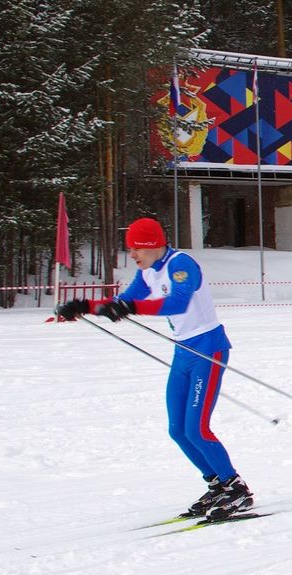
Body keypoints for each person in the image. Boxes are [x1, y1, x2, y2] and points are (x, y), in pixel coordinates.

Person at [55, 217, 252, 521]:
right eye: (130, 249)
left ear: (152, 245)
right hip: (184, 351)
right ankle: (216, 485)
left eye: (136, 248)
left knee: (197, 428)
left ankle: (235, 487)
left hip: (208, 349)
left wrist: (130, 308)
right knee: (178, 430)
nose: (132, 254)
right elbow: (123, 301)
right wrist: (84, 306)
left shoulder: (181, 264)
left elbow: (178, 303)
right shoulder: (147, 271)